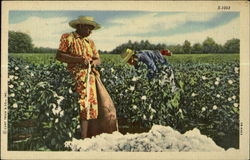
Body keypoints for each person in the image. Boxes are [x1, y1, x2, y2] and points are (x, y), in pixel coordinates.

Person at [56, 16, 118, 139]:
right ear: (80, 26)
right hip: (75, 76)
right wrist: (79, 59)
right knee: (81, 105)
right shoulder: (68, 38)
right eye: (88, 28)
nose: (90, 31)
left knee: (92, 107)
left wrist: (93, 62)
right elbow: (59, 55)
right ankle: (81, 136)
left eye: (91, 29)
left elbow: (97, 59)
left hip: (90, 77)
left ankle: (89, 135)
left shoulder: (90, 42)